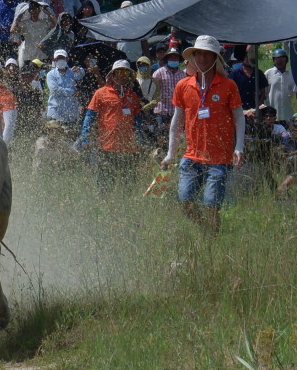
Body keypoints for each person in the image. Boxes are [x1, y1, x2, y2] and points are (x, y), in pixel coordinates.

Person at [162, 35, 243, 234]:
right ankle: (206, 229)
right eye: (198, 53)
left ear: (215, 58)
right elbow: (176, 122)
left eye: (207, 54)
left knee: (211, 206)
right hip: (191, 156)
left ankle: (211, 242)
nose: (202, 58)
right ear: (192, 57)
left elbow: (240, 118)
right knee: (185, 201)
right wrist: (170, 153)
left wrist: (239, 147)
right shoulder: (183, 86)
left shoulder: (228, 86)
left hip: (220, 158)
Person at [77, 59, 146, 188]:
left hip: (128, 148)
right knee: (105, 184)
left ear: (129, 77)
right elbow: (89, 117)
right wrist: (85, 138)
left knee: (128, 185)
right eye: (119, 72)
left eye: (125, 73)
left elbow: (138, 120)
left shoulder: (132, 95)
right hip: (106, 146)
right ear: (112, 75)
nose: (122, 76)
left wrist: (139, 138)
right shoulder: (101, 93)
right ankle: (104, 206)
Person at [263, 48, 297, 123]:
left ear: (286, 60)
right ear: (274, 61)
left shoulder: (292, 75)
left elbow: (296, 92)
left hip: (288, 113)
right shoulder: (268, 73)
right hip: (272, 114)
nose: (279, 61)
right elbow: (264, 92)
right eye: (277, 59)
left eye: (282, 58)